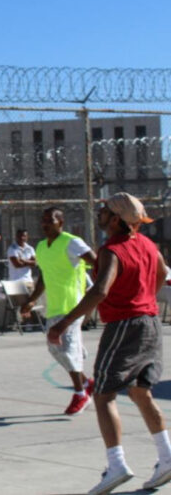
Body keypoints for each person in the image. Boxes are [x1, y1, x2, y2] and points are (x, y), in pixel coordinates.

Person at [48, 193, 171, 495]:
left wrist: (65, 323)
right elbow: (162, 273)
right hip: (151, 323)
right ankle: (167, 456)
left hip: (125, 325)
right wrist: (146, 299)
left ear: (116, 219)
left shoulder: (112, 249)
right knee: (141, 391)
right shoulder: (148, 245)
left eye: (104, 211)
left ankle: (116, 464)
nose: (100, 214)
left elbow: (101, 290)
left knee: (103, 395)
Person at [21, 208, 97, 416]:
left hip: (73, 306)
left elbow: (96, 261)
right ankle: (86, 382)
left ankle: (80, 393)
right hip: (53, 306)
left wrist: (100, 290)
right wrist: (32, 299)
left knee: (65, 349)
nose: (45, 224)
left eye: (50, 220)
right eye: (43, 220)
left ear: (60, 222)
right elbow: (44, 276)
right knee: (55, 349)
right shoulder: (41, 247)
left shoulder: (72, 242)